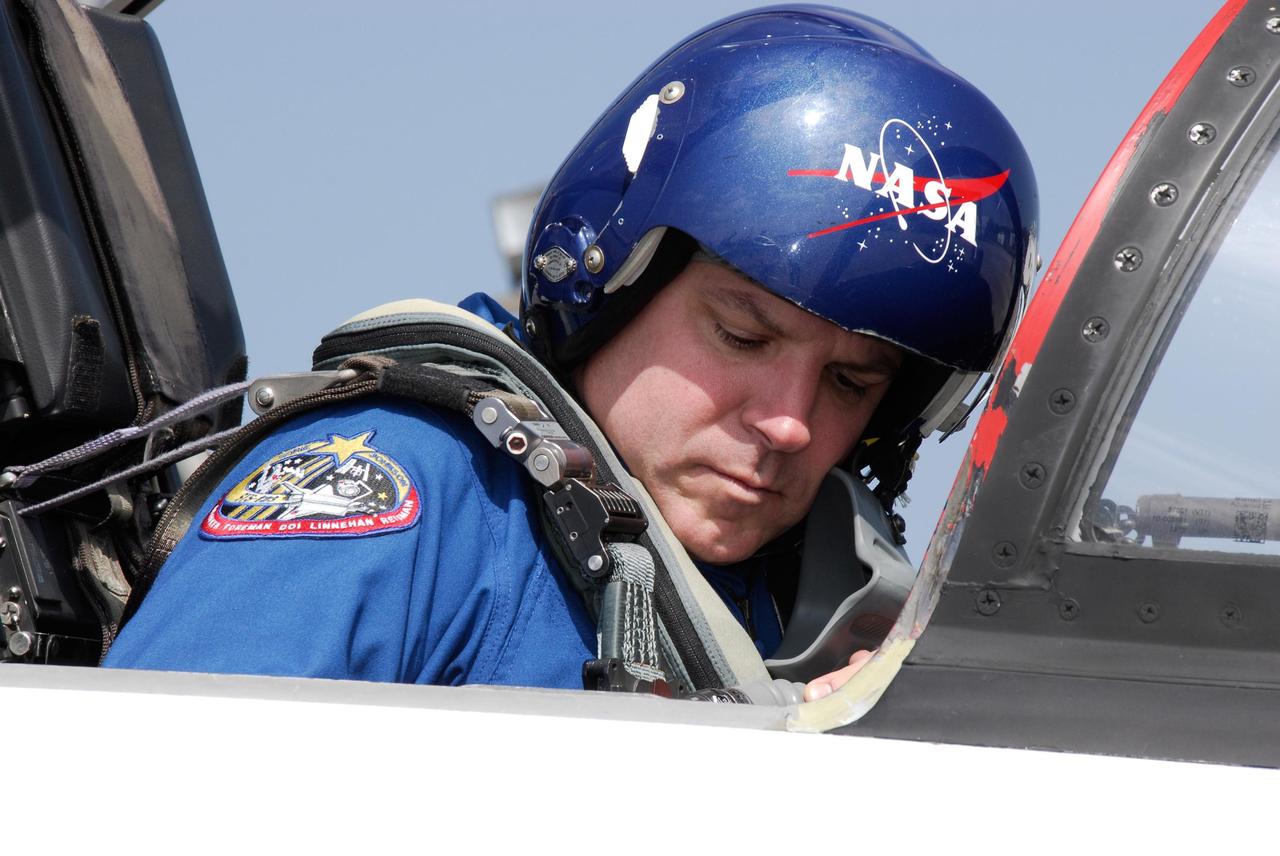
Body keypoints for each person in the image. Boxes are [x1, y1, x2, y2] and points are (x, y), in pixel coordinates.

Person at [104, 6, 1037, 701]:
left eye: (851, 381)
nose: (791, 423)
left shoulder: (830, 614)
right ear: (612, 281)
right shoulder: (404, 490)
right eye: (743, 335)